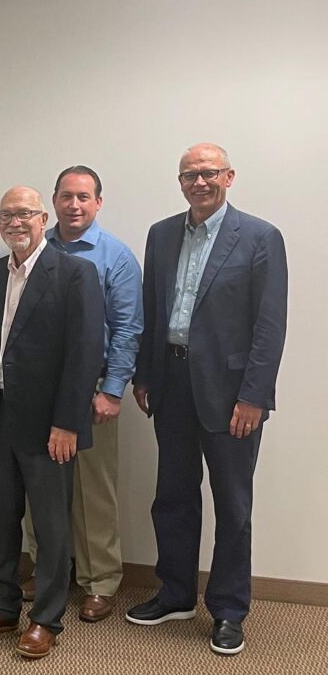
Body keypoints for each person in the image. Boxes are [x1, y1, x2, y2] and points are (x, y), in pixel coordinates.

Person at [127, 143, 287, 657]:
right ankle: (175, 593)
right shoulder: (161, 233)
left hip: (231, 394)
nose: (199, 182)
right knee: (172, 496)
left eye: (209, 173)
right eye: (189, 175)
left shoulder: (260, 237)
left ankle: (228, 609)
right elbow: (153, 309)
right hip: (170, 385)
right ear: (180, 182)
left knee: (234, 505)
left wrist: (254, 397)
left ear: (229, 176)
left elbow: (269, 326)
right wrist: (145, 374)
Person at [0, 186, 104, 659]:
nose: (15, 222)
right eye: (7, 215)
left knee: (50, 525)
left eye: (24, 213)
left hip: (49, 426)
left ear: (43, 219)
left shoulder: (76, 274)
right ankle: (2, 606)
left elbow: (85, 356)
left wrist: (68, 423)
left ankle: (45, 619)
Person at [22, 166, 143, 622]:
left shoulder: (115, 256)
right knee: (41, 490)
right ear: (53, 201)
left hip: (91, 394)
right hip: (37, 393)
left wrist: (112, 391)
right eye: (66, 196)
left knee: (93, 493)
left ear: (98, 203)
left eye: (84, 197)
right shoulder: (34, 248)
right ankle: (47, 568)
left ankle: (100, 581)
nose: (74, 205)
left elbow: (129, 328)